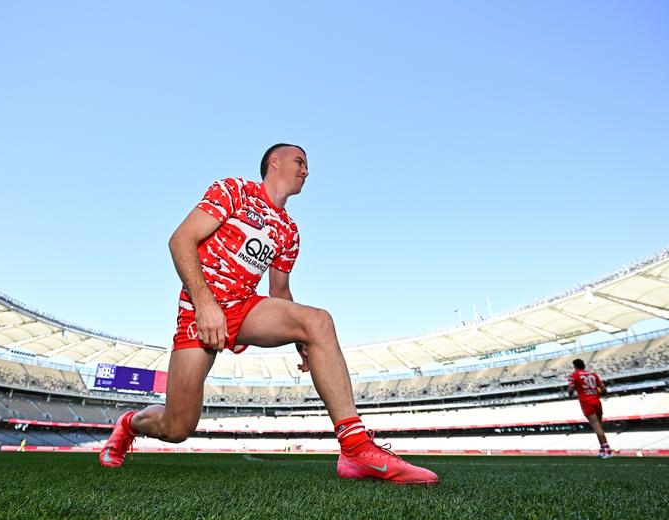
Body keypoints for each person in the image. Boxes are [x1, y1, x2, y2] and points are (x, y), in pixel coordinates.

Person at [99, 143, 438, 484]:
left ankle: (356, 449)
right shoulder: (235, 190)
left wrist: (302, 341)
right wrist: (204, 305)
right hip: (200, 309)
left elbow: (280, 293)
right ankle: (129, 424)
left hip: (244, 307)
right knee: (177, 427)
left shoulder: (289, 232)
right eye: (299, 162)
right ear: (274, 162)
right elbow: (180, 240)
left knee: (318, 321)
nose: (306, 170)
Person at [568, 358, 613, 458]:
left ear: (575, 366)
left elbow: (570, 390)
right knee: (599, 425)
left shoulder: (574, 375)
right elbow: (604, 390)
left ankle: (608, 450)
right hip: (597, 401)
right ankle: (602, 449)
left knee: (596, 426)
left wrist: (571, 392)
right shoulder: (593, 374)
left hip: (586, 402)